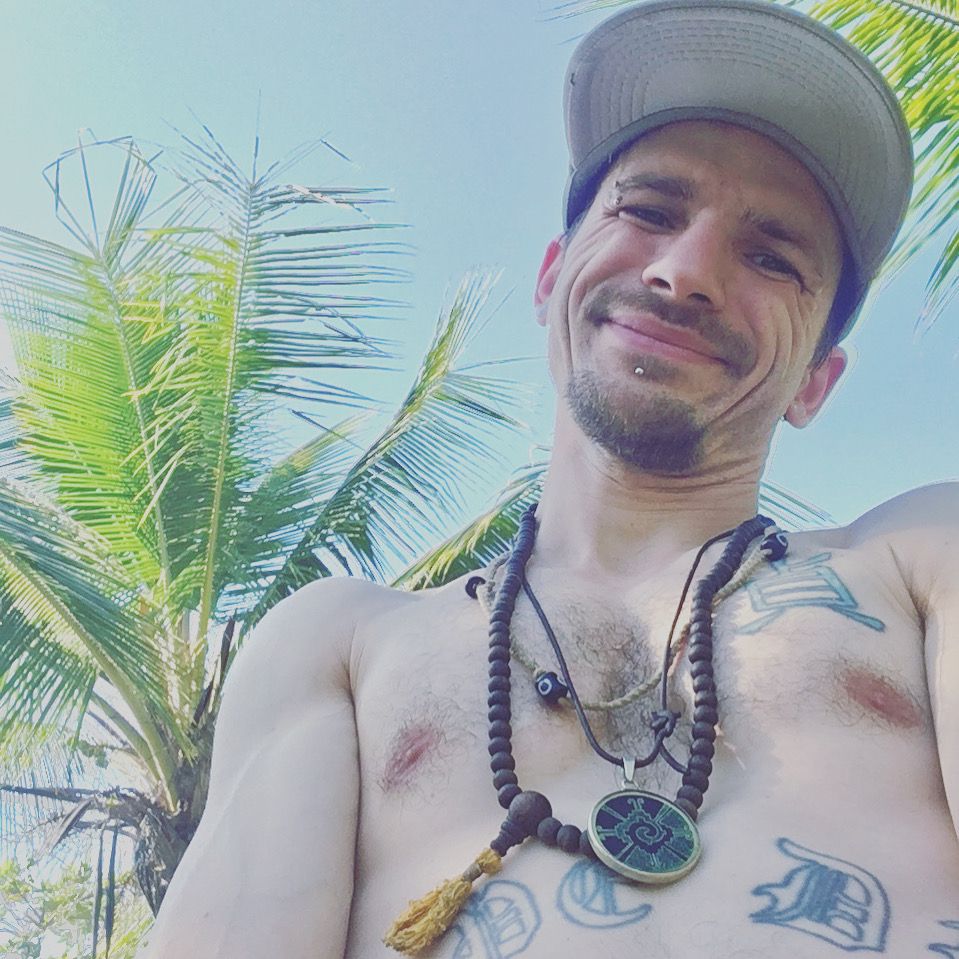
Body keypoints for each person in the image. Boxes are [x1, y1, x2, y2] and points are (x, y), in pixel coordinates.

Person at [138, 1, 959, 956]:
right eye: (648, 211)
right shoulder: (339, 645)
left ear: (815, 381)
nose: (685, 271)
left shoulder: (920, 559)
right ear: (549, 277)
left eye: (771, 257)